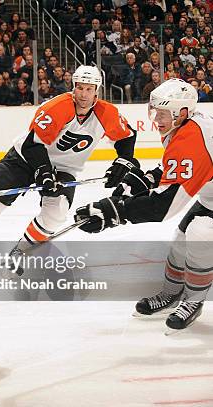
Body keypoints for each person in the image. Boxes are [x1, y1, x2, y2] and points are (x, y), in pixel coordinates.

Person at [0, 65, 137, 275]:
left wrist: (123, 161)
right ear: (74, 87)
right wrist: (43, 171)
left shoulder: (107, 113)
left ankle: (21, 251)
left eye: (89, 89)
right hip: (24, 160)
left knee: (57, 212)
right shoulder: (58, 107)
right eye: (80, 88)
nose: (84, 94)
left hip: (64, 169)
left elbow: (127, 136)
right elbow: (31, 144)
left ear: (97, 91)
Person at [74, 79, 212, 332]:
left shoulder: (191, 139)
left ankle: (193, 301)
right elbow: (173, 170)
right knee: (180, 242)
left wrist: (116, 211)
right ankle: (172, 294)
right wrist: (144, 180)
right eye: (155, 112)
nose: (156, 119)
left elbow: (164, 207)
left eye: (161, 113)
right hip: (209, 197)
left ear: (181, 113)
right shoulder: (183, 126)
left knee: (199, 235)